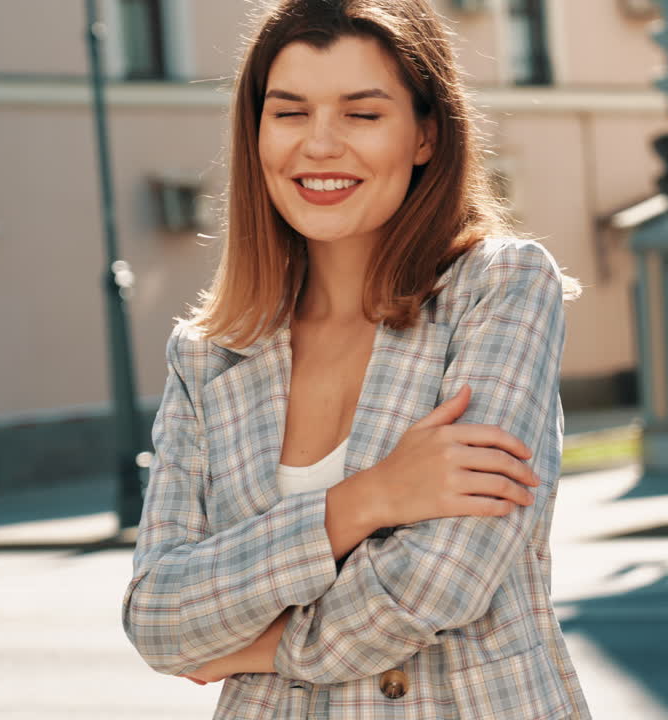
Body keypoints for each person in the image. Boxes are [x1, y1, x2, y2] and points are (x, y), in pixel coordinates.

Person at [123, 1, 592, 717]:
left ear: (426, 134)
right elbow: (159, 618)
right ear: (255, 134)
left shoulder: (498, 289)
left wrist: (263, 647)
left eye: (361, 114)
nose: (318, 146)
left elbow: (443, 579)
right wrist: (367, 499)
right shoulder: (210, 355)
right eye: (289, 113)